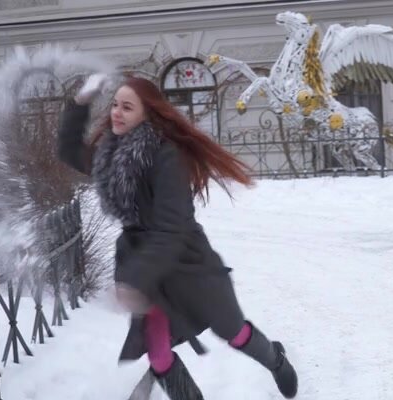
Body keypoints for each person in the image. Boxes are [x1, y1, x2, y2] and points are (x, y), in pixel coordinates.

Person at [56, 73, 298, 400]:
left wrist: (135, 279)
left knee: (233, 331)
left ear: (148, 113)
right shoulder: (109, 154)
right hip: (144, 265)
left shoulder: (166, 156)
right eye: (114, 105)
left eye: (127, 107)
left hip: (187, 264)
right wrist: (80, 103)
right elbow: (69, 150)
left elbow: (173, 228)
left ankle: (275, 359)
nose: (116, 113)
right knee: (158, 353)